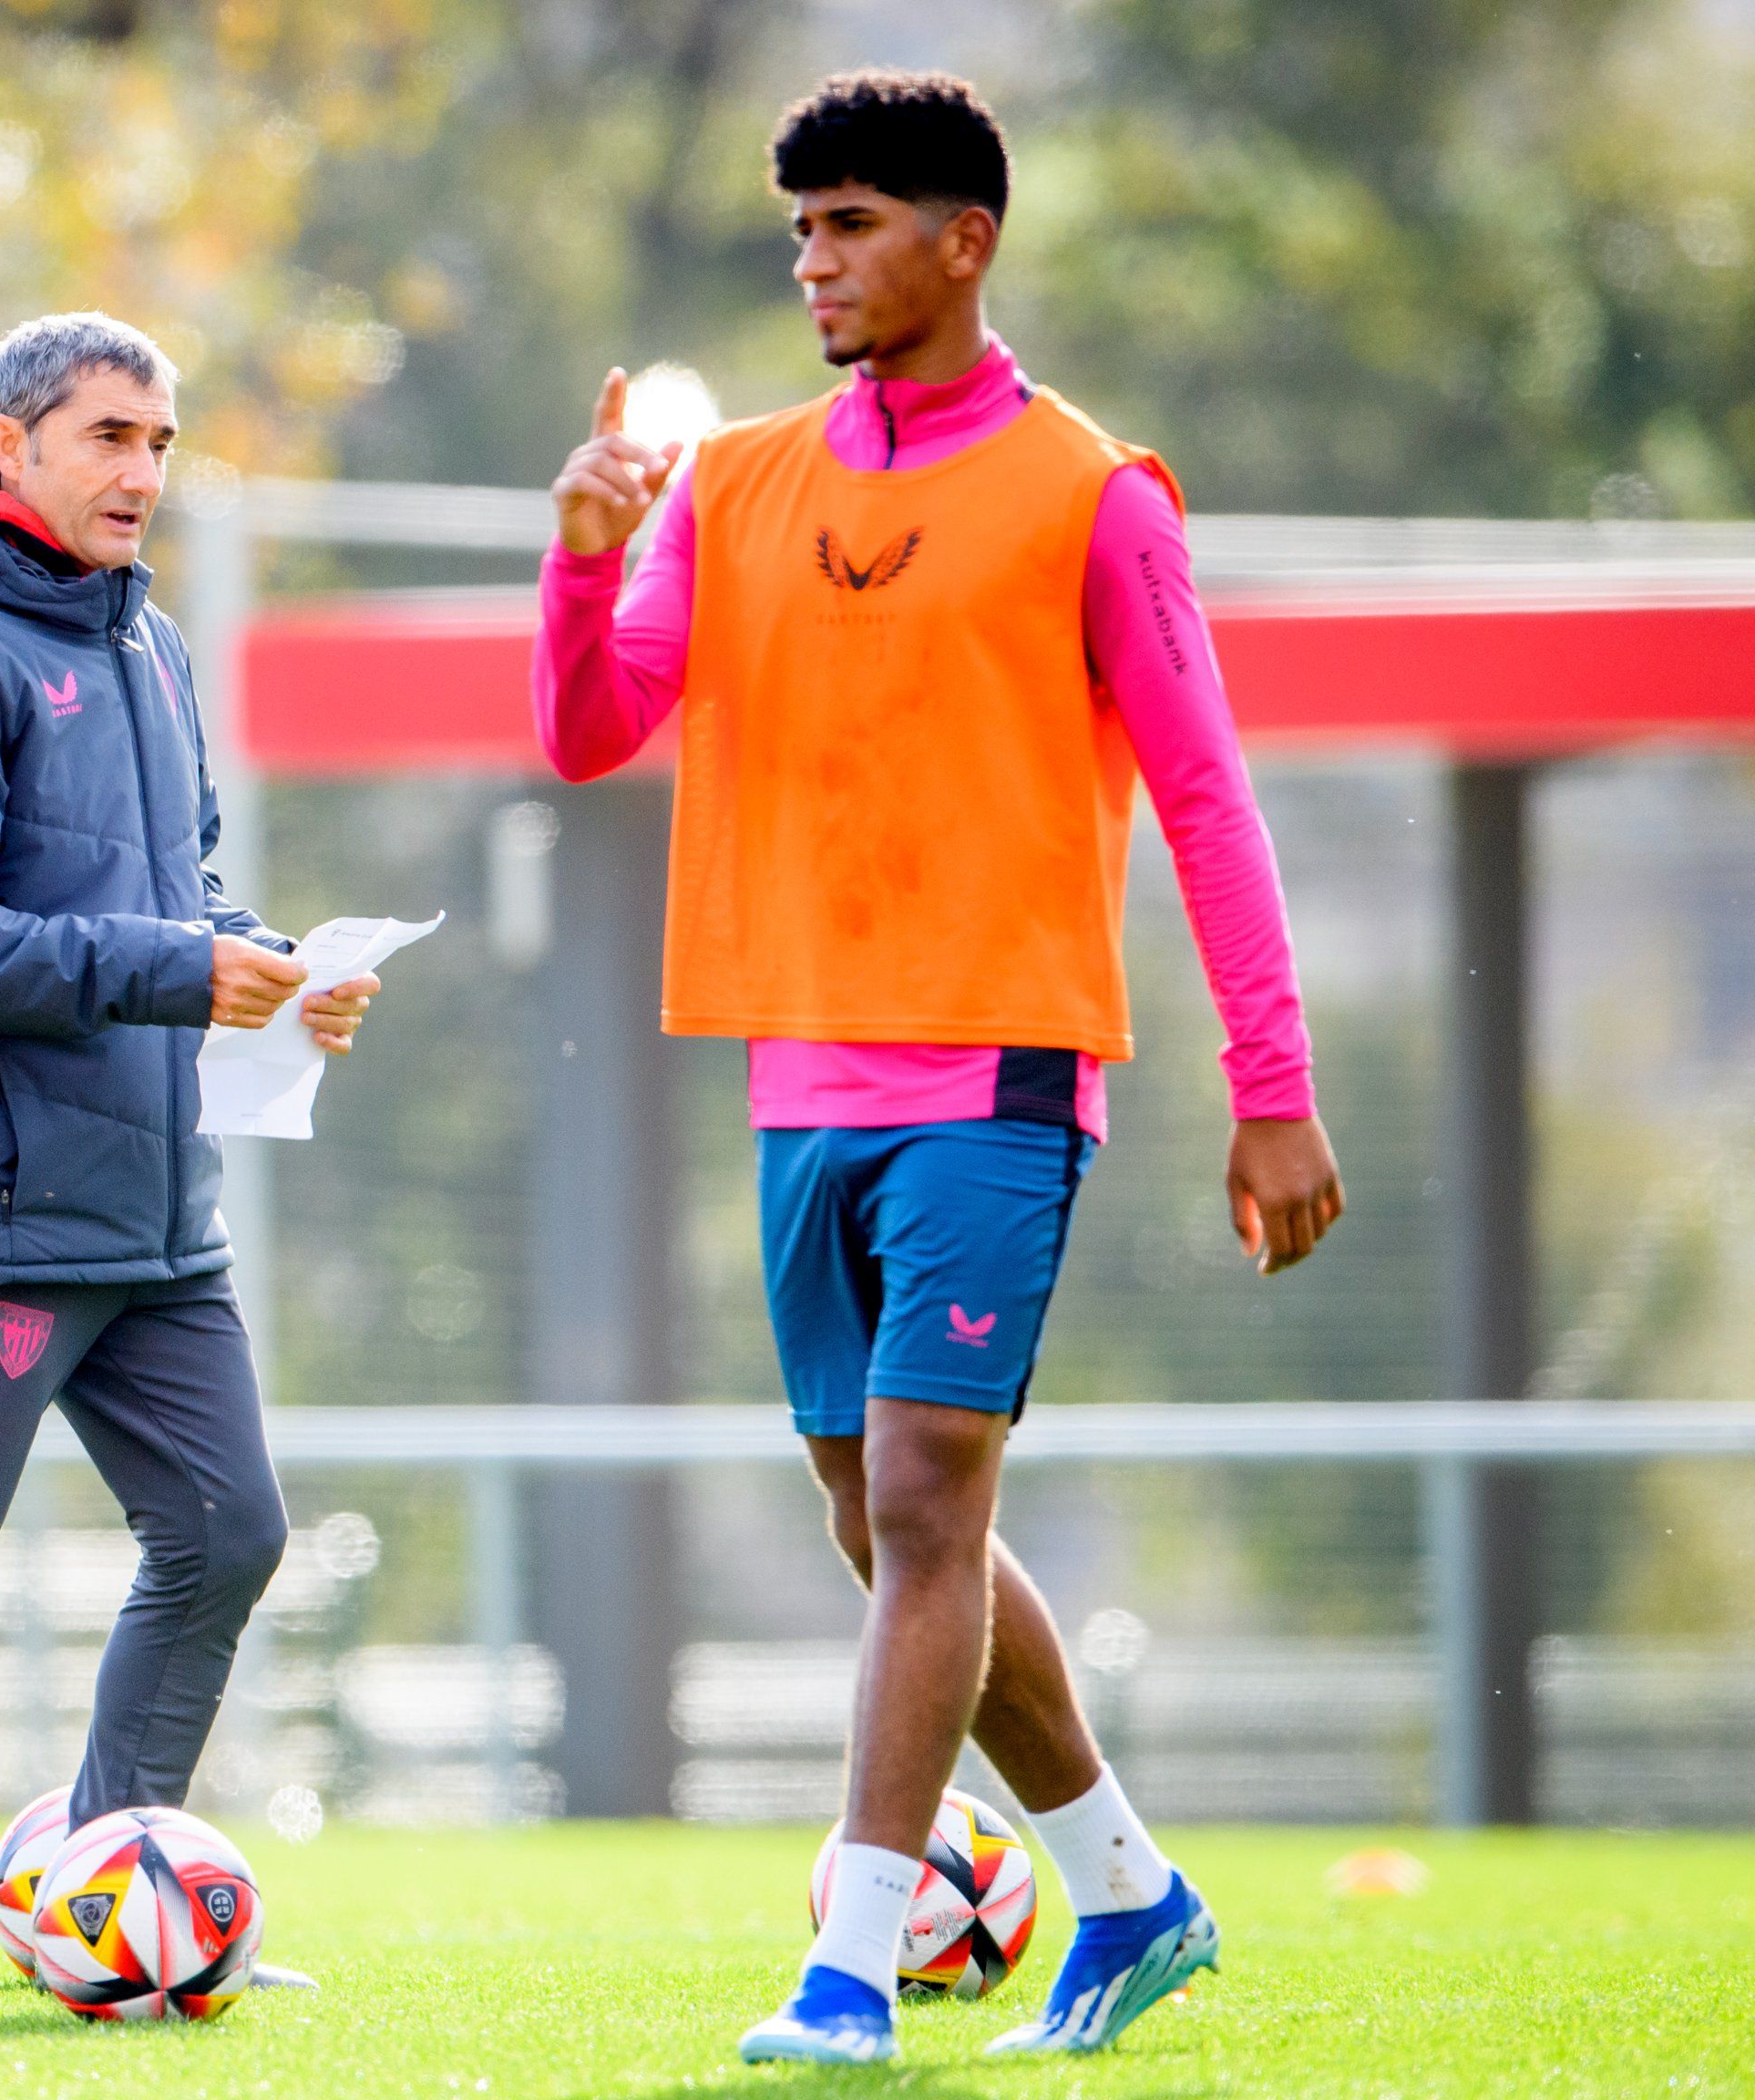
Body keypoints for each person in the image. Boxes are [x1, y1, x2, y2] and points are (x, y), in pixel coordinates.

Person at [534, 70, 1346, 2066]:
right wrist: (572, 557)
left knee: (916, 1495)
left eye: (850, 225)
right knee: (890, 1522)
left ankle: (845, 1972)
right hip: (795, 1074)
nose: (812, 262)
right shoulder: (722, 484)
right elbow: (586, 732)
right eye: (796, 228)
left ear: (960, 240)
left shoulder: (1093, 493)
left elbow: (1206, 798)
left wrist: (1270, 1079)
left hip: (997, 1067)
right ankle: (1134, 1894)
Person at [0, 312, 375, 1999]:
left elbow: (179, 894)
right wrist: (183, 969)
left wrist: (272, 969)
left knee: (230, 1533)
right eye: (110, 436)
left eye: (162, 443)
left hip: (154, 1208)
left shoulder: (149, 648)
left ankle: (122, 1901)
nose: (143, 474)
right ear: (5, 445)